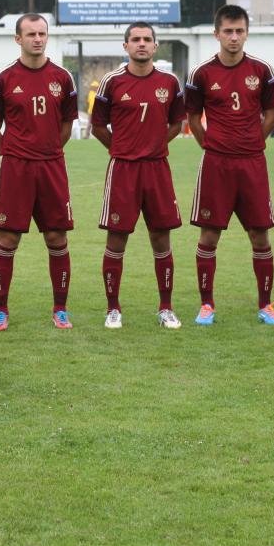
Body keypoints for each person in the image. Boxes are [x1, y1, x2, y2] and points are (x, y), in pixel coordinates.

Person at [185, 4, 274, 325]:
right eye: (228, 31)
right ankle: (206, 305)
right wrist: (209, 144)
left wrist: (258, 139)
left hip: (252, 163)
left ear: (247, 34)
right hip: (217, 165)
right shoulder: (202, 73)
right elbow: (192, 118)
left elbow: (271, 113)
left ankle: (266, 305)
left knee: (260, 237)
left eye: (239, 31)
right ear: (217, 34)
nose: (234, 37)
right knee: (209, 237)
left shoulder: (263, 71)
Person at [0, 13, 78, 330]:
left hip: (52, 165)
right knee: (8, 238)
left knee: (56, 236)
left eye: (42, 33)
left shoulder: (63, 78)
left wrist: (47, 148)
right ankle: (1, 310)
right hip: (15, 168)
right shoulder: (4, 79)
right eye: (31, 34)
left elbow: (66, 126)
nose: (37, 39)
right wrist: (13, 155)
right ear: (18, 39)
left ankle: (60, 309)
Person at [91, 22, 185, 329]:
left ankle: (166, 308)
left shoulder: (170, 82)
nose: (141, 44)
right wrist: (121, 149)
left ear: (155, 46)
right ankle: (113, 309)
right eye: (135, 39)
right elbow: (98, 127)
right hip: (123, 170)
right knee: (117, 239)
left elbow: (175, 124)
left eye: (147, 39)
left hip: (157, 169)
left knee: (161, 237)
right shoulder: (111, 82)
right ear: (126, 46)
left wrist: (154, 145)